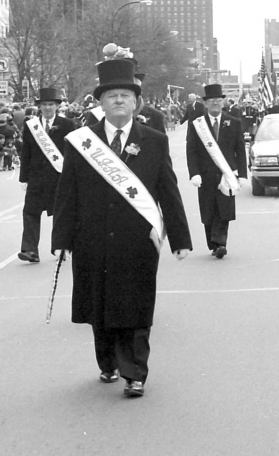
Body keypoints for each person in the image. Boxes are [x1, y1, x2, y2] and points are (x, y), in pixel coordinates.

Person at [52, 58, 192, 398]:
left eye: (125, 95)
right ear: (100, 103)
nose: (118, 101)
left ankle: (135, 372)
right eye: (112, 95)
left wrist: (180, 239)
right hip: (92, 239)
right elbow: (66, 194)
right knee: (99, 306)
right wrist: (62, 239)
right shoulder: (80, 142)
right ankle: (108, 363)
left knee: (136, 305)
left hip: (137, 242)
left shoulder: (155, 141)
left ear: (136, 102)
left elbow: (168, 191)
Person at [186, 84, 247, 258]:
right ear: (205, 104)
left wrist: (242, 174)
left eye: (218, 101)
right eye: (212, 101)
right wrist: (194, 173)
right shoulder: (197, 125)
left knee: (224, 210)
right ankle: (212, 243)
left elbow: (240, 150)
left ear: (223, 103)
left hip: (226, 175)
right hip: (204, 176)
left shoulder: (233, 123)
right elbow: (191, 150)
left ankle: (220, 243)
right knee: (208, 210)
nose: (215, 104)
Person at [18, 88, 76, 263]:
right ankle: (29, 250)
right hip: (36, 178)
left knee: (60, 214)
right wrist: (24, 177)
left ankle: (59, 247)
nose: (48, 108)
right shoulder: (31, 126)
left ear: (57, 106)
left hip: (59, 178)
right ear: (39, 107)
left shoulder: (68, 125)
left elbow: (73, 153)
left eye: (51, 104)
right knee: (30, 212)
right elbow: (26, 152)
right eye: (44, 105)